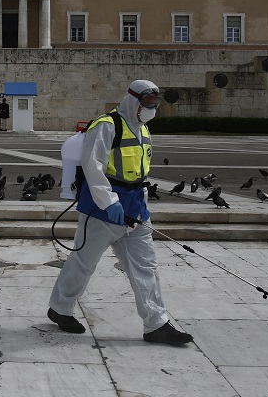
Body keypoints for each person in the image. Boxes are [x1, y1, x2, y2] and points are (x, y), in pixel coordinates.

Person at [47, 80, 194, 347]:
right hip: (104, 211)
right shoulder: (107, 125)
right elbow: (93, 167)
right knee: (83, 263)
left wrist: (143, 205)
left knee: (146, 266)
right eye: (147, 103)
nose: (151, 108)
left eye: (155, 104)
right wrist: (109, 202)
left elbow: (140, 173)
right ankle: (60, 307)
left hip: (135, 209)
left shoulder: (144, 130)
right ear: (133, 100)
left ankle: (156, 324)